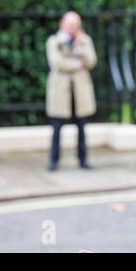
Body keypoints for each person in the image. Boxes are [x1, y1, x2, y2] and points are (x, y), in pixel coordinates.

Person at [45, 11, 97, 171]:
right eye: (70, 24)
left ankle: (83, 160)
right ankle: (53, 161)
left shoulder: (85, 40)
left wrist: (80, 48)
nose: (73, 28)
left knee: (82, 127)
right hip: (61, 91)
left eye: (76, 24)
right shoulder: (54, 41)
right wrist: (77, 64)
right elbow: (57, 63)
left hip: (79, 91)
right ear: (62, 24)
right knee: (57, 127)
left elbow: (92, 61)